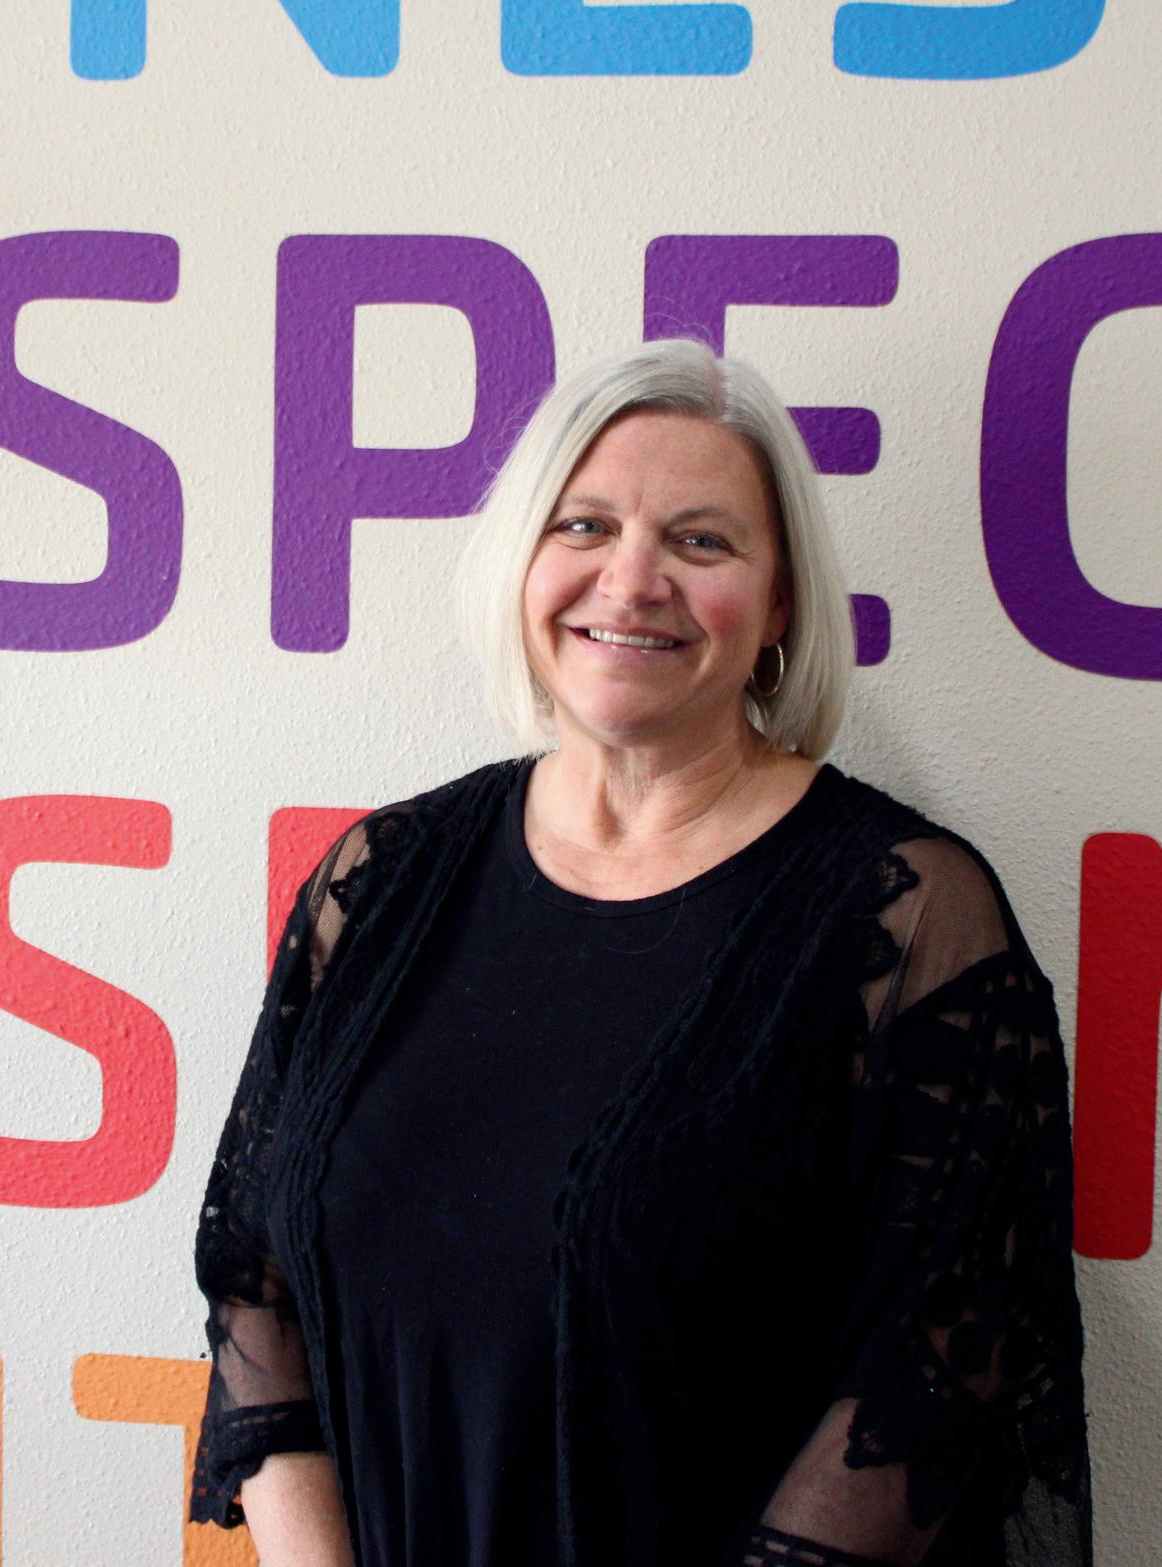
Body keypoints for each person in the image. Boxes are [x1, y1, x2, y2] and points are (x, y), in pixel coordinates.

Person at [187, 337, 1093, 1567]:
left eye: (700, 541)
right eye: (584, 525)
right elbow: (253, 1276)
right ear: (523, 563)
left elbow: (931, 1380)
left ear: (779, 606)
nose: (630, 580)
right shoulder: (380, 879)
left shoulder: (905, 918)